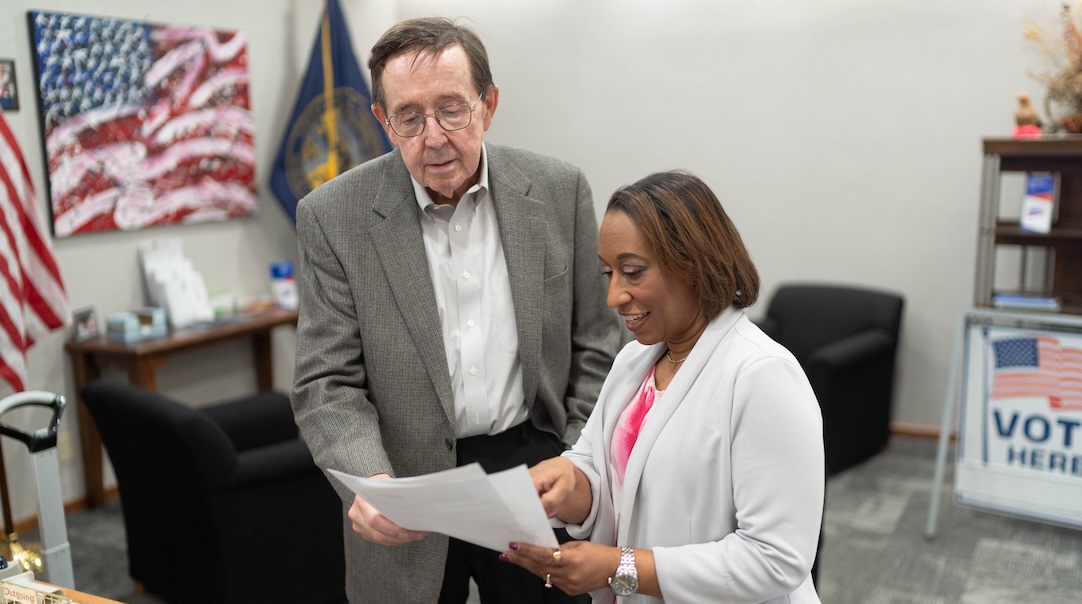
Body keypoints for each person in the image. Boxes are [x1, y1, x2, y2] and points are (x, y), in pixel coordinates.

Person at [290, 16, 622, 604]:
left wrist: (580, 459)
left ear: (488, 104)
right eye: (410, 117)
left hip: (532, 467)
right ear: (382, 121)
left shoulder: (558, 190)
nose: (434, 137)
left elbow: (596, 343)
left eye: (451, 109)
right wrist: (369, 483)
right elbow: (326, 380)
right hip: (404, 481)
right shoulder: (331, 216)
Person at [500, 170, 825, 603]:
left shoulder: (761, 375)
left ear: (692, 263)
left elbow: (775, 560)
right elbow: (602, 469)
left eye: (632, 272)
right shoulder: (635, 359)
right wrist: (570, 483)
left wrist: (620, 569)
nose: (614, 296)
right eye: (608, 273)